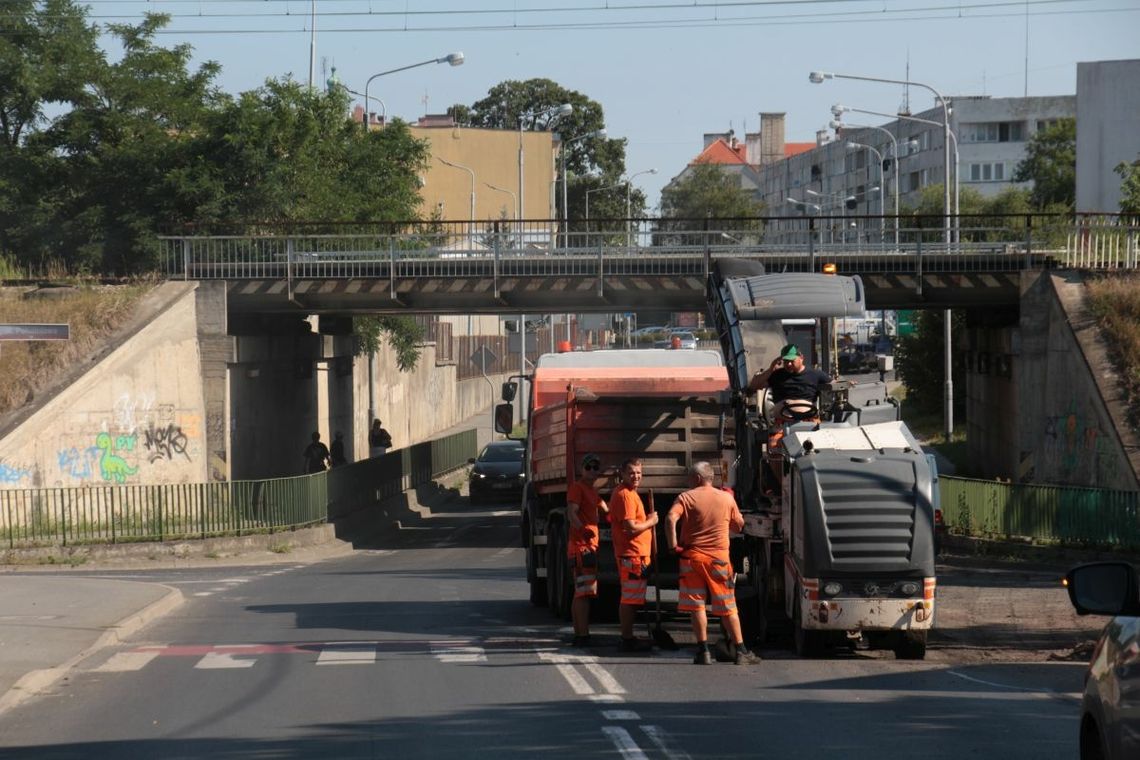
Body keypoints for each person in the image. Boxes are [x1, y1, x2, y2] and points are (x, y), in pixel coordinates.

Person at [666, 461, 760, 666]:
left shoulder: (685, 497)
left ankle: (703, 651)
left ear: (698, 478)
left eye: (690, 478)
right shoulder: (726, 498)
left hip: (691, 560)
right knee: (728, 606)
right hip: (719, 561)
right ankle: (741, 651)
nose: (689, 482)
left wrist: (673, 545)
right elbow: (739, 526)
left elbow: (671, 518)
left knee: (697, 606)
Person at [608, 458, 658, 653]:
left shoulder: (630, 493)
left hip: (635, 554)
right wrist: (651, 522)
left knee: (632, 597)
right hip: (632, 555)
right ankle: (627, 639)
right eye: (631, 472)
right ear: (622, 473)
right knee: (629, 599)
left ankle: (628, 637)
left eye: (638, 472)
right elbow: (630, 527)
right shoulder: (625, 495)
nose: (635, 476)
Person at [566, 453, 610, 648]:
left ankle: (580, 634)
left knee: (581, 592)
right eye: (588, 467)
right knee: (583, 593)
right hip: (581, 547)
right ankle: (582, 635)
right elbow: (571, 513)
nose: (592, 470)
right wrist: (582, 530)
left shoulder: (592, 491)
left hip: (588, 546)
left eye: (595, 467)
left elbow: (606, 510)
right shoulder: (578, 488)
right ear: (582, 469)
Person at [747, 343, 833, 422]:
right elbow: (754, 386)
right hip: (782, 421)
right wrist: (770, 369)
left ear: (801, 358)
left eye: (792, 361)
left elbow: (835, 384)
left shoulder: (815, 374)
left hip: (808, 418)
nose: (789, 364)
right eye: (786, 361)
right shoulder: (777, 375)